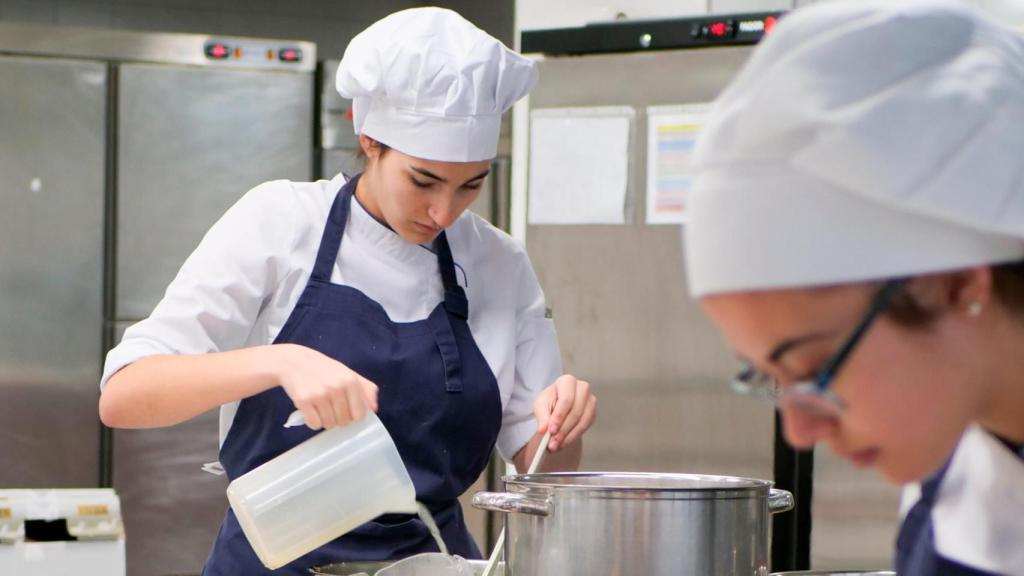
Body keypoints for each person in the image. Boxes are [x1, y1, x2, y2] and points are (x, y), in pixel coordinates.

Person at [98, 7, 596, 575]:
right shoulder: (281, 224)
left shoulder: (499, 263)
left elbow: (539, 472)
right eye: (423, 180)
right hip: (274, 561)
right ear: (368, 138)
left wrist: (563, 423)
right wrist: (278, 361)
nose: (443, 211)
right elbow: (124, 396)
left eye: (471, 185)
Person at [683, 1, 1024, 574]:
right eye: (769, 378)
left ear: (956, 284)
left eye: (816, 368)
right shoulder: (952, 472)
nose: (800, 431)